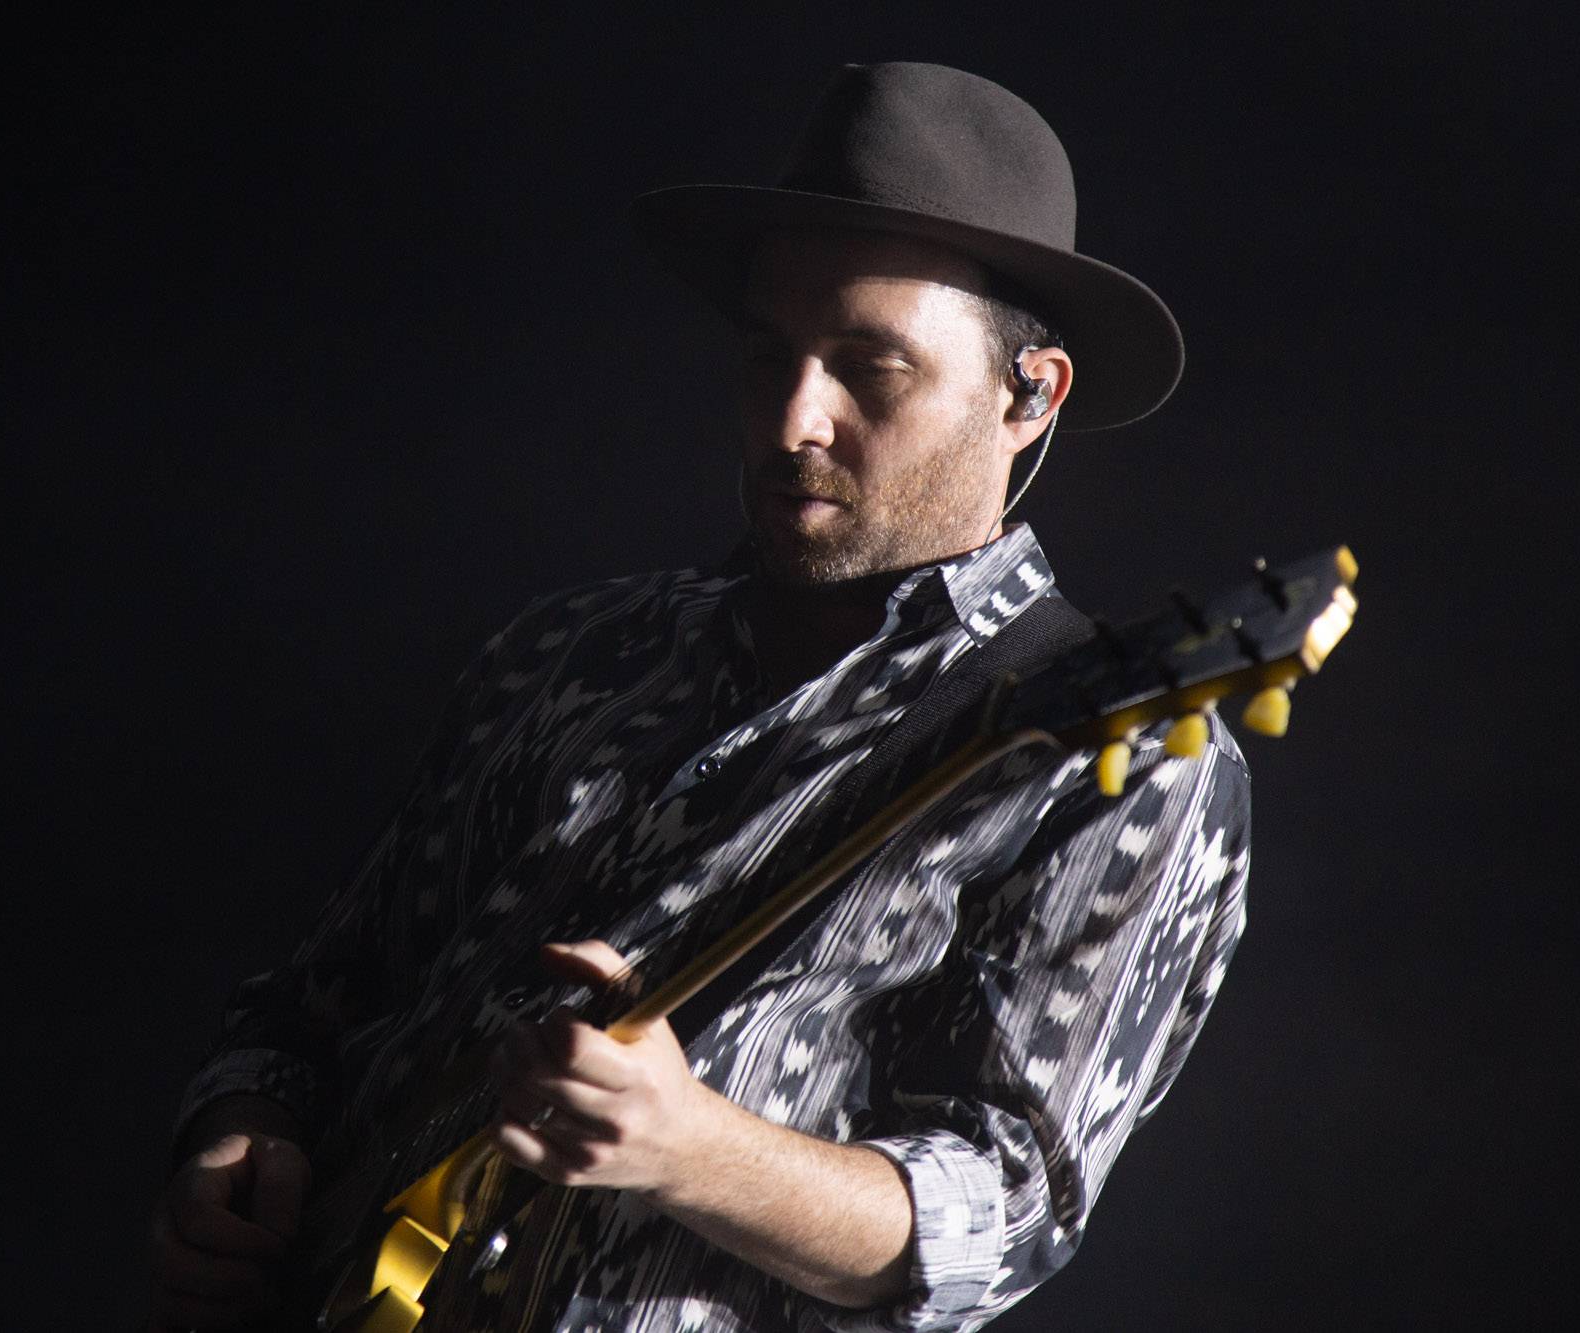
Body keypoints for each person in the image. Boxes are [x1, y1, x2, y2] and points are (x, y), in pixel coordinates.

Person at [147, 62, 1251, 1332]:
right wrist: (243, 1136)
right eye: (767, 355)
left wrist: (689, 1148)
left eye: (869, 370)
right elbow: (312, 998)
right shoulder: (570, 649)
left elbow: (999, 1217)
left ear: (1028, 394)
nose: (793, 419)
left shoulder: (1121, 755)